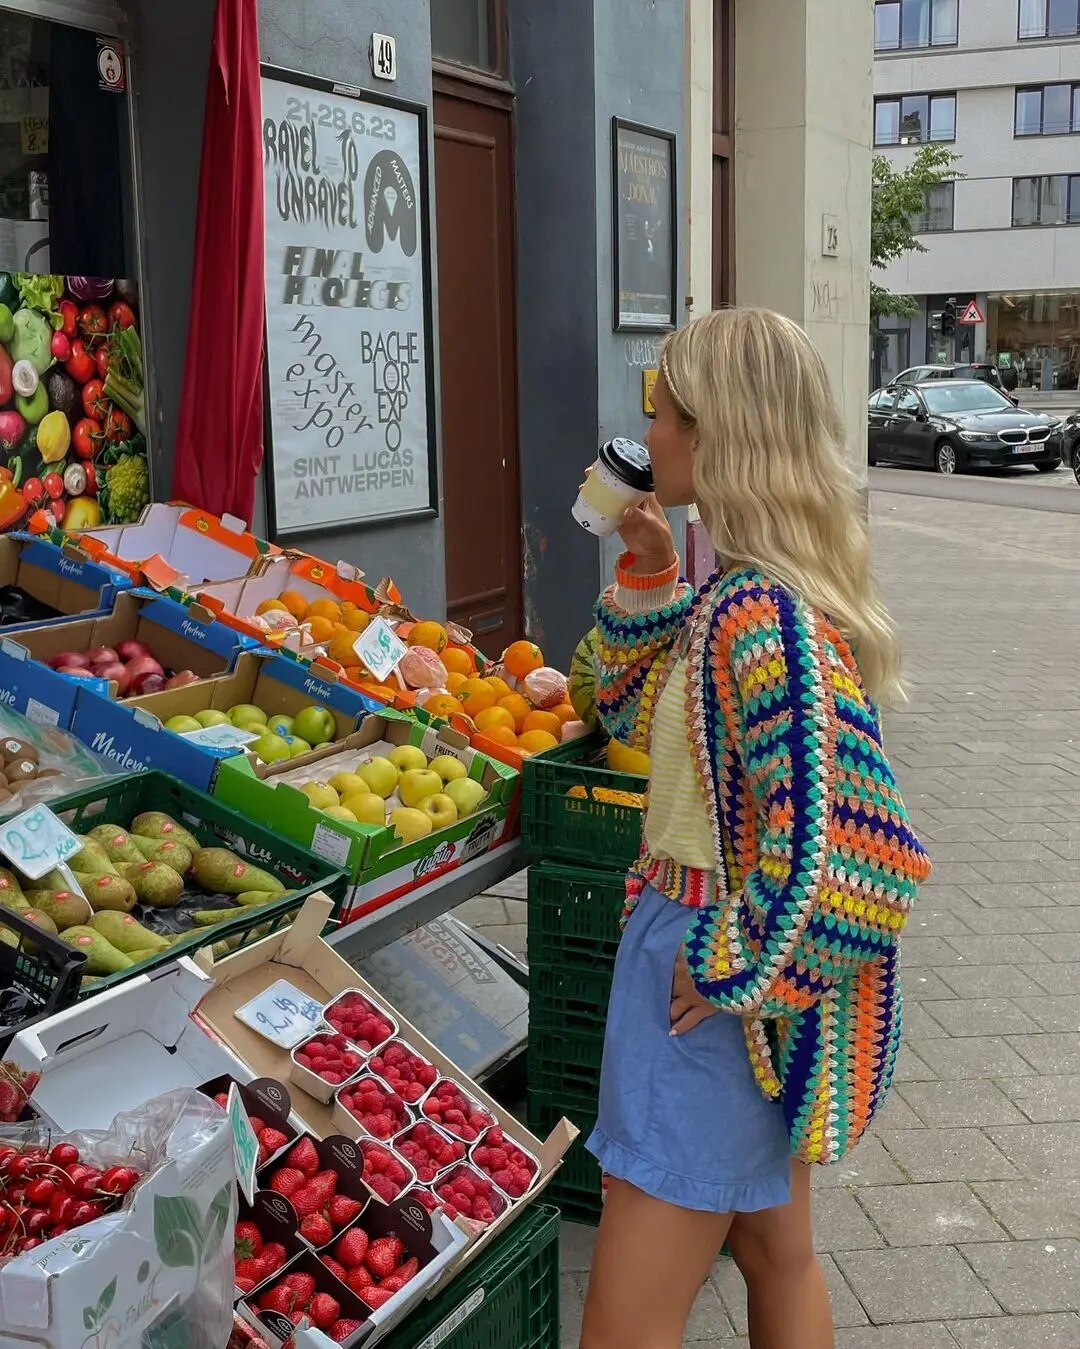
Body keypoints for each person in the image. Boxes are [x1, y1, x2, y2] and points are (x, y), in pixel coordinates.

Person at [579, 308, 931, 1349]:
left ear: (717, 432)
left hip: (707, 988)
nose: (650, 430)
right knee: (779, 1257)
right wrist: (651, 569)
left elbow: (865, 854)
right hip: (729, 983)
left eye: (664, 408)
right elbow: (635, 713)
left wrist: (732, 965)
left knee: (623, 1329)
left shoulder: (756, 614)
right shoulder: (740, 598)